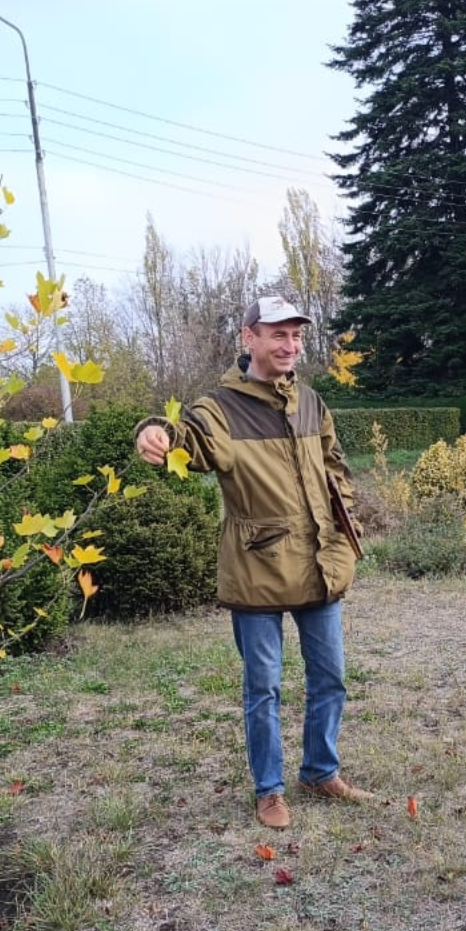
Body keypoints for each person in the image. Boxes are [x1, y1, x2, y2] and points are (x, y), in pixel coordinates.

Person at [134, 295, 373, 829]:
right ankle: (270, 790)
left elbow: (335, 466)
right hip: (257, 570)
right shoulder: (220, 408)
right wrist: (155, 431)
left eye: (296, 335)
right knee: (263, 688)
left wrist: (347, 523)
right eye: (277, 334)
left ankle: (321, 772)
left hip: (320, 564)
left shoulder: (310, 402)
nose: (289, 345)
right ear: (250, 338)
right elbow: (187, 438)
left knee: (331, 678)